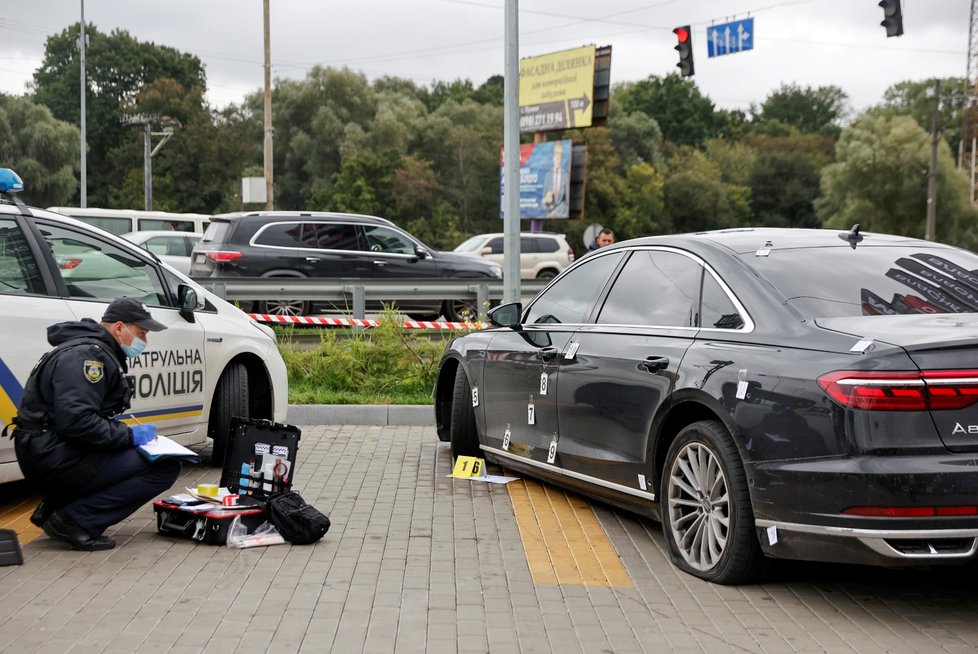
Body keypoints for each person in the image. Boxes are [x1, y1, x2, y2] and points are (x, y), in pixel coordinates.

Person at [11, 298, 181, 551]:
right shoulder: (86, 356)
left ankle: (57, 507)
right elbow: (77, 422)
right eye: (141, 332)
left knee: (130, 453)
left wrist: (123, 435)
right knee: (164, 466)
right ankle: (75, 521)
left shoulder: (92, 349)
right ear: (120, 328)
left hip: (49, 448)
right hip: (51, 455)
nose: (145, 340)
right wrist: (129, 436)